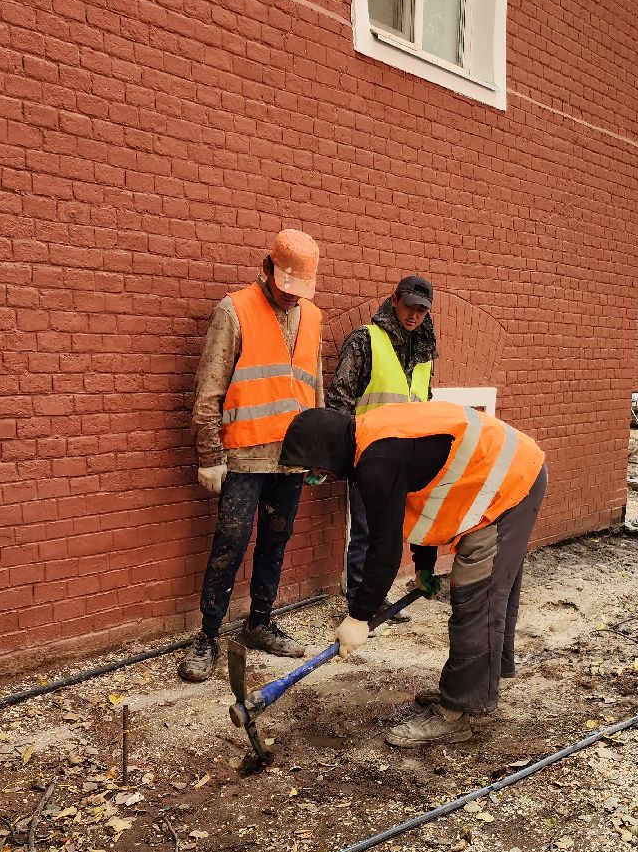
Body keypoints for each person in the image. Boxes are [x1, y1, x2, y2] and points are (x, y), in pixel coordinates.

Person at [279, 404, 547, 747]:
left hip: (510, 485)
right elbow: (424, 500)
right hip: (511, 471)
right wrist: (423, 566)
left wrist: (359, 617)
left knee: (475, 597)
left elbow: (384, 549)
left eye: (316, 469)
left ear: (327, 451)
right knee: (486, 594)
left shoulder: (377, 463)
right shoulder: (372, 437)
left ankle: (458, 711)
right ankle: (475, 684)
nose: (318, 476)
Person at [181, 229, 323, 682]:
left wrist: (319, 449)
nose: (290, 299)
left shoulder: (313, 317)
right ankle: (207, 636)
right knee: (230, 544)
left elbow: (312, 386)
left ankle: (260, 623)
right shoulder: (234, 309)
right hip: (243, 458)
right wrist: (209, 453)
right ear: (267, 268)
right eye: (285, 289)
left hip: (292, 457)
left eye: (299, 292)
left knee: (276, 542)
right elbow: (210, 388)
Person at [326, 275, 439, 604]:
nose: (414, 315)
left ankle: (374, 594)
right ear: (394, 300)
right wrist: (339, 453)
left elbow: (425, 403)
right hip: (369, 453)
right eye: (409, 306)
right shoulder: (366, 339)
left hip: (408, 456)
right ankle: (360, 597)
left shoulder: (425, 354)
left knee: (388, 532)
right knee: (365, 529)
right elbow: (341, 398)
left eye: (421, 310)